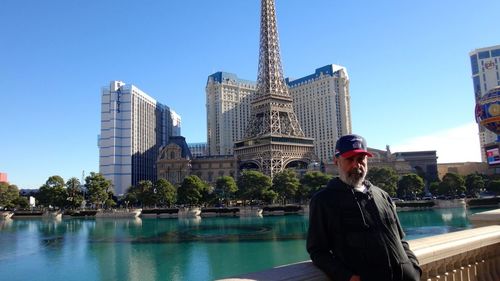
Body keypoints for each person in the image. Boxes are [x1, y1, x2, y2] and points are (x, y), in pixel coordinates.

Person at [306, 134, 422, 281]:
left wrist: (413, 267)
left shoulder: (382, 195)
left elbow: (400, 239)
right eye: (350, 159)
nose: (356, 165)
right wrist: (348, 277)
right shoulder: (323, 200)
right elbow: (317, 251)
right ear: (337, 161)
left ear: (367, 161)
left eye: (361, 159)